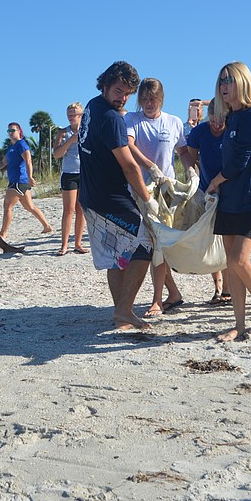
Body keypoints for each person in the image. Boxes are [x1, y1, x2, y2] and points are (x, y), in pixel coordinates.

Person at [78, 60, 159, 330]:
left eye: (127, 93)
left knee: (116, 255)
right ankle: (124, 310)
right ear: (105, 84)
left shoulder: (92, 105)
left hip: (89, 196)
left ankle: (120, 313)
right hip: (109, 198)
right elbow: (129, 165)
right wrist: (147, 199)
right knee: (145, 244)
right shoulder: (112, 119)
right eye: (118, 90)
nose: (122, 97)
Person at [205, 62, 251, 342]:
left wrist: (215, 181)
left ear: (242, 82)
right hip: (231, 197)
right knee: (231, 263)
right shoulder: (231, 118)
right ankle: (239, 324)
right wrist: (221, 187)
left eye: (230, 80)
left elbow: (239, 162)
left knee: (238, 259)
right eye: (221, 80)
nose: (224, 86)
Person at [125, 78, 195, 316]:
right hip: (141, 189)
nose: (148, 104)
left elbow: (183, 151)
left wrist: (190, 168)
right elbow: (129, 145)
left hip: (167, 192)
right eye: (143, 99)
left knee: (161, 246)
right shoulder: (132, 120)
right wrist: (148, 165)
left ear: (161, 98)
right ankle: (165, 296)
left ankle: (165, 296)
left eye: (152, 99)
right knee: (152, 245)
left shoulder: (173, 122)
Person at [185, 97, 231, 305]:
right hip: (206, 191)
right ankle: (218, 287)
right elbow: (190, 158)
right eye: (213, 120)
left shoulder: (233, 130)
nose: (216, 124)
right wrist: (191, 177)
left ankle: (229, 288)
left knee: (228, 240)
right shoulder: (199, 132)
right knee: (212, 239)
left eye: (220, 120)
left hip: (230, 189)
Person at [0, 122, 52, 238]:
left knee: (7, 206)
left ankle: (3, 233)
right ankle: (47, 226)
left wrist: (30, 177)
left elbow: (28, 161)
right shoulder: (11, 147)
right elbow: (3, 163)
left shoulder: (21, 144)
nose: (10, 133)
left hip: (19, 181)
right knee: (29, 206)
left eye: (13, 130)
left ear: (19, 131)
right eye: (8, 131)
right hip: (17, 181)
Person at [52, 102, 88, 256]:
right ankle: (64, 244)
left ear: (81, 115)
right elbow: (56, 154)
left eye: (74, 114)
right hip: (69, 173)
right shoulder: (62, 132)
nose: (71, 117)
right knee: (69, 209)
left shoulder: (87, 130)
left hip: (85, 173)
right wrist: (69, 141)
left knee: (82, 209)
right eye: (69, 114)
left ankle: (78, 243)